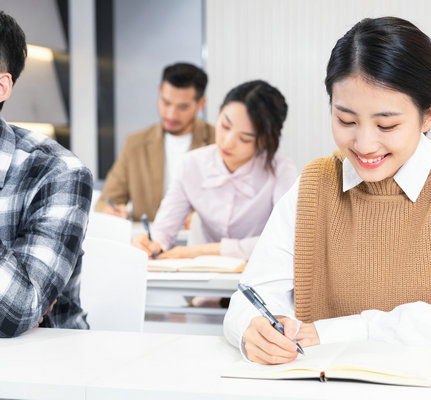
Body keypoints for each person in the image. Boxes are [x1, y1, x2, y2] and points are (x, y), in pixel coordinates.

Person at [223, 17, 431, 365]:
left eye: (387, 124)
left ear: (429, 116)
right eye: (346, 121)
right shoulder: (315, 185)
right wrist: (251, 329)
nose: (364, 144)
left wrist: (350, 330)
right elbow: (250, 297)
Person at [0, 11, 92, 337]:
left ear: (2, 86)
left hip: (45, 371)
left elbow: (14, 311)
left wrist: (26, 301)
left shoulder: (59, 173)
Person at [132, 80, 297, 260]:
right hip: (207, 277)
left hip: (259, 277)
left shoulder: (281, 171)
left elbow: (285, 239)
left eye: (245, 138)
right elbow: (164, 229)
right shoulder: (191, 164)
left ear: (265, 141)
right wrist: (152, 243)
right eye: (225, 126)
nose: (227, 142)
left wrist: (200, 251)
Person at [95, 62, 215, 221]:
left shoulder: (218, 142)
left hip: (200, 243)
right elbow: (106, 201)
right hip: (147, 241)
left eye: (183, 107)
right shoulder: (135, 144)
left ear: (200, 104)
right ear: (159, 91)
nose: (171, 115)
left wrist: (202, 219)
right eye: (166, 103)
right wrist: (110, 211)